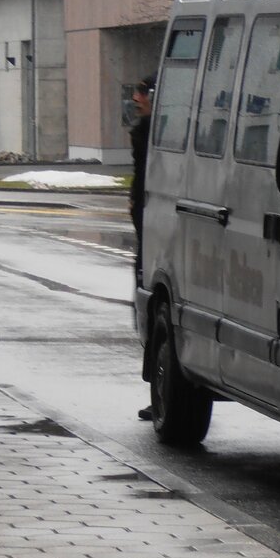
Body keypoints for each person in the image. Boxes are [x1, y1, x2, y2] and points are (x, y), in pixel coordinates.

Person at [130, 76, 155, 421]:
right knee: (148, 310)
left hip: (155, 229)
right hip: (147, 228)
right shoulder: (144, 131)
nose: (135, 99)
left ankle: (162, 390)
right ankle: (159, 388)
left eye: (141, 93)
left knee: (154, 308)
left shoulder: (153, 134)